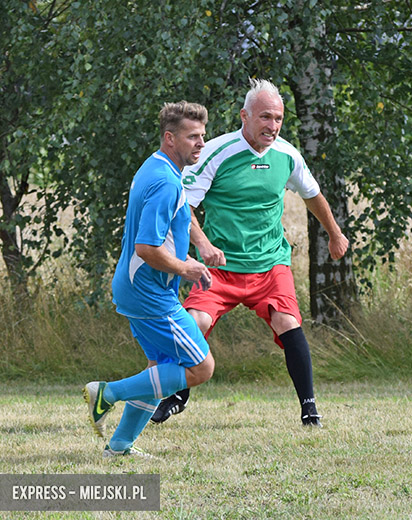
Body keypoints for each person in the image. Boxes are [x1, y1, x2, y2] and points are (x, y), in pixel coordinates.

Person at [151, 79, 348, 428]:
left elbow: (313, 195)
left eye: (279, 119)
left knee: (289, 324)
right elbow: (184, 206)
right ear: (244, 116)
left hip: (270, 264)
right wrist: (201, 245)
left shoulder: (288, 155)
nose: (272, 126)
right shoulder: (215, 151)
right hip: (222, 268)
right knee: (194, 323)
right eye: (265, 117)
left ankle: (309, 409)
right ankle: (175, 394)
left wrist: (335, 234)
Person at [83, 101, 214, 457]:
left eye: (203, 136)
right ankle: (106, 393)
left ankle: (120, 447)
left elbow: (171, 229)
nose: (201, 143)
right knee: (201, 367)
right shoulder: (164, 183)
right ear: (170, 139)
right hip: (149, 295)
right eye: (193, 137)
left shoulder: (156, 168)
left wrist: (197, 251)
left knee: (160, 370)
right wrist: (186, 268)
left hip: (136, 289)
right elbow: (146, 247)